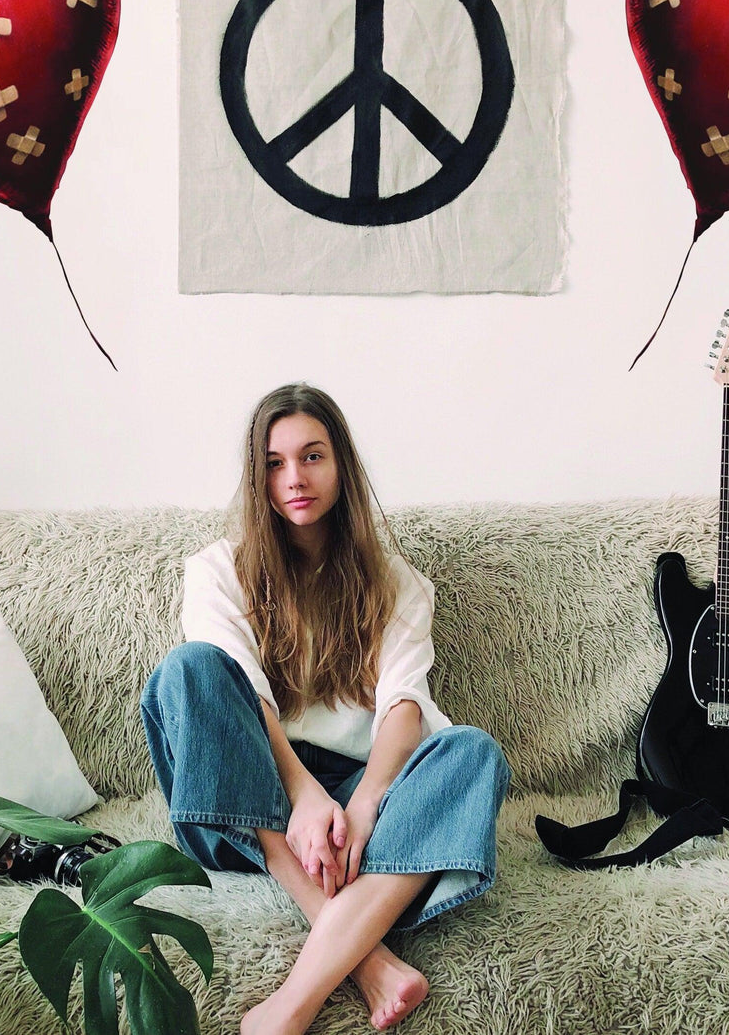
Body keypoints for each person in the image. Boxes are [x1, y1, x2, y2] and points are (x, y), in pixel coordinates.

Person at [141, 383, 510, 1035]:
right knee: (191, 670)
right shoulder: (216, 570)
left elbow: (405, 701)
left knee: (474, 751)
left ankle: (290, 1004)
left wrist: (363, 803)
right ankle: (361, 963)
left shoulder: (396, 582)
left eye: (312, 456)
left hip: (355, 796)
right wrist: (302, 795)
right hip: (241, 798)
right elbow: (241, 689)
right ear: (258, 477)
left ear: (342, 464)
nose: (294, 478)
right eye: (275, 463)